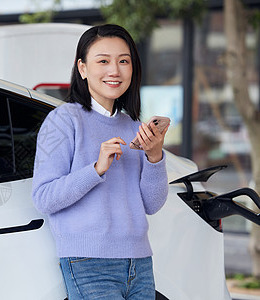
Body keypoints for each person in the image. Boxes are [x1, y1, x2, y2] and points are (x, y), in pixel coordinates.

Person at [31, 24, 169, 300]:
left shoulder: (133, 126)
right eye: (103, 61)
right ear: (82, 68)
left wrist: (155, 156)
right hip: (89, 262)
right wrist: (96, 168)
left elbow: (151, 205)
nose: (114, 70)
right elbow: (43, 198)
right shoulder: (63, 120)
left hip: (139, 261)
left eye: (123, 61)